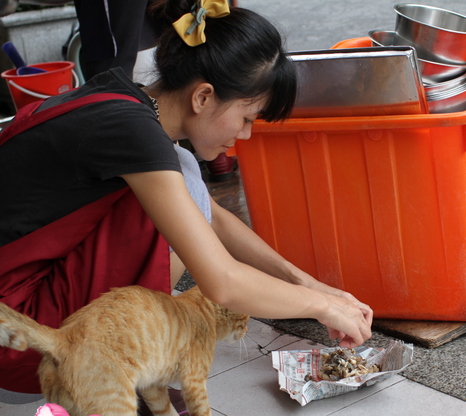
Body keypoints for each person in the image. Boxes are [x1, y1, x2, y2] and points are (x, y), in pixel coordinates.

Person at [0, 0, 373, 396]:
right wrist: (323, 308)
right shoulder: (138, 135)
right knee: (186, 181)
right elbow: (223, 283)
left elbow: (211, 217)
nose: (245, 135)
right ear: (203, 97)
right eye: (247, 118)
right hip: (24, 341)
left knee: (187, 183)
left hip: (19, 317)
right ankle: (112, 372)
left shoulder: (126, 101)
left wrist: (308, 283)